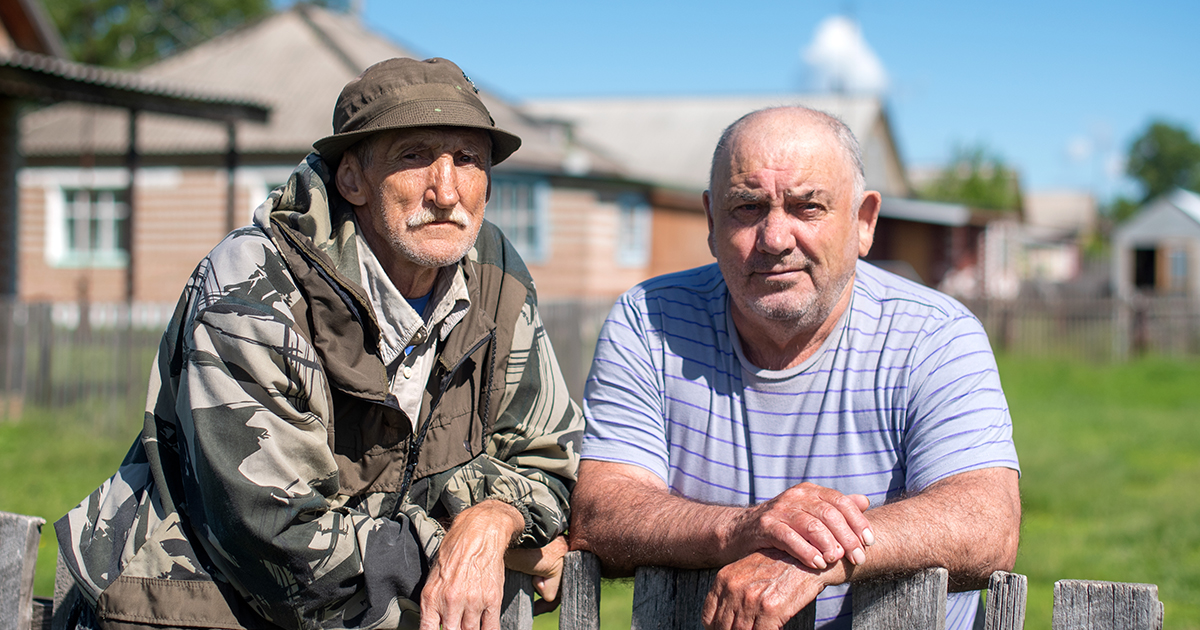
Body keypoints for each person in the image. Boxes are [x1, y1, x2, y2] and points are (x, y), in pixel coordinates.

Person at [56, 57, 583, 630]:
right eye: (414, 156)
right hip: (192, 606)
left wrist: (494, 520)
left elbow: (551, 459)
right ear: (351, 179)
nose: (446, 191)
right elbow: (281, 544)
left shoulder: (495, 273)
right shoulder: (250, 288)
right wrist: (460, 550)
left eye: (468, 159)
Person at [571, 106, 1021, 630]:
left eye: (808, 207)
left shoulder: (935, 334)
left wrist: (810, 553)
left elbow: (987, 523)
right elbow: (602, 512)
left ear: (863, 223)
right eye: (747, 207)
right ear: (712, 222)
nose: (775, 238)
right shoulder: (649, 319)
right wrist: (745, 529)